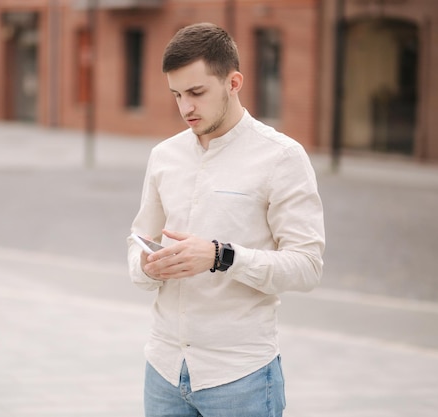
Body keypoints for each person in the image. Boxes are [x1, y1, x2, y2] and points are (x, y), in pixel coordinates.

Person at [127, 22, 325, 417]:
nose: (185, 108)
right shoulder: (164, 156)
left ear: (233, 82)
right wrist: (149, 266)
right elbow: (138, 240)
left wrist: (221, 256)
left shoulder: (282, 157)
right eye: (177, 94)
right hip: (163, 372)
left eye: (197, 92)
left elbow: (307, 268)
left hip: (241, 379)